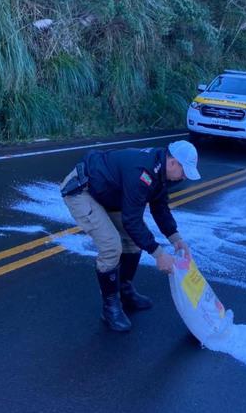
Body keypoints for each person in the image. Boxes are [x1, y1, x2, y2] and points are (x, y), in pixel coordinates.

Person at [59, 140, 201, 331]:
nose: (184, 177)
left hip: (109, 193)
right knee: (111, 245)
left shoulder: (162, 173)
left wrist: (175, 238)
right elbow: (132, 221)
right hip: (83, 190)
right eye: (184, 171)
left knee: (133, 242)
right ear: (173, 162)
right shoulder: (142, 172)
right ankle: (110, 307)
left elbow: (160, 207)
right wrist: (159, 254)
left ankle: (124, 290)